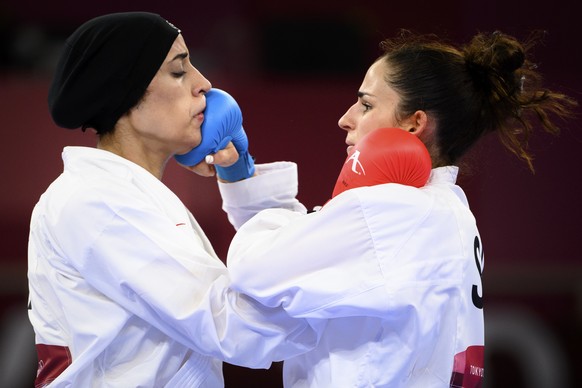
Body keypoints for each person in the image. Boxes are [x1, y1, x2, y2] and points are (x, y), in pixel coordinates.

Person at [199, 30, 577, 387]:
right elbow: (306, 257)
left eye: (366, 104)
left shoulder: (400, 211)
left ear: (415, 124)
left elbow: (256, 269)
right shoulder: (441, 210)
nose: (345, 118)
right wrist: (241, 176)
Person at [27, 12, 322, 387]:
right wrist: (341, 289)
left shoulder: (127, 194)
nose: (204, 84)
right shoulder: (98, 202)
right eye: (179, 72)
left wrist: (241, 177)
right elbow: (232, 326)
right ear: (126, 92)